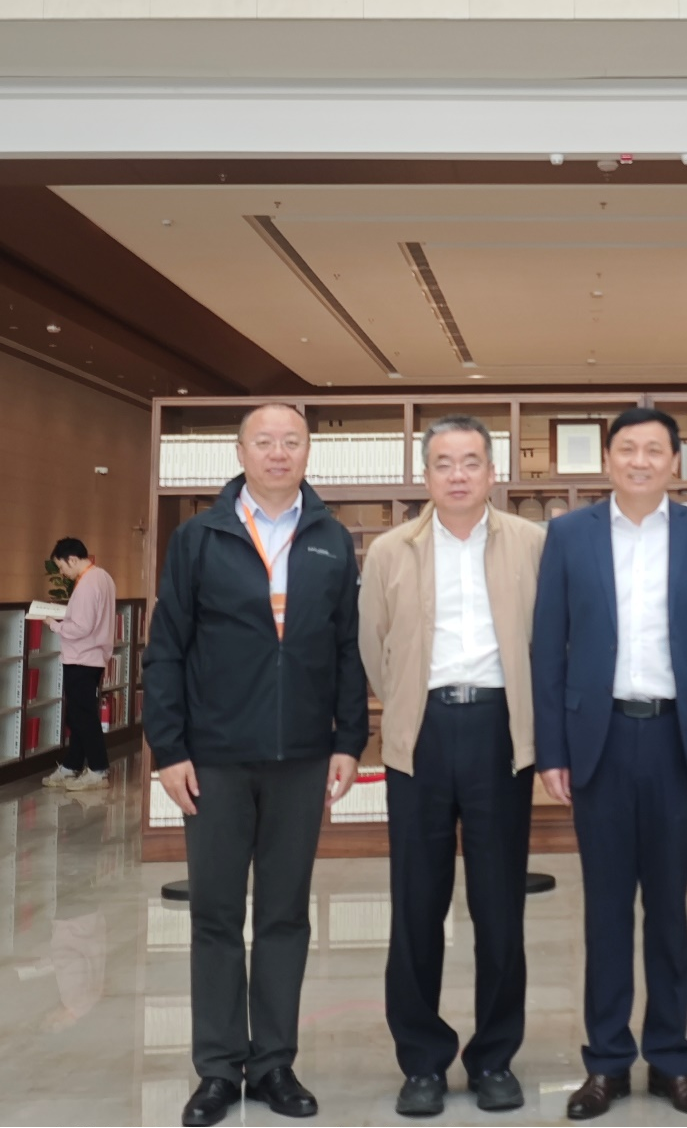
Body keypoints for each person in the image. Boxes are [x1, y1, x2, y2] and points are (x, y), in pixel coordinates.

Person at [143, 402, 367, 1128]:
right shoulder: (199, 538)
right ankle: (217, 1068)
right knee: (215, 914)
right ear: (240, 452)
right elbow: (166, 649)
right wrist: (169, 748)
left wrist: (348, 740)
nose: (278, 452)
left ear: (307, 452)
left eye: (291, 441)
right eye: (264, 441)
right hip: (214, 759)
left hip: (301, 757)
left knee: (284, 914)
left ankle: (273, 1062)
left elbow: (346, 648)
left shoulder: (330, 538)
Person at [532, 407, 687, 1121]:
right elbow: (547, 647)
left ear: (676, 462)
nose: (641, 460)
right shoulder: (570, 534)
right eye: (628, 448)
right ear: (608, 459)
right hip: (600, 740)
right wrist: (553, 749)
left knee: (670, 910)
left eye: (656, 449)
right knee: (605, 910)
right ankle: (607, 1062)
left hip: (678, 738)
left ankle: (672, 1059)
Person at [359, 415, 545, 1118]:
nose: (458, 474)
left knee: (499, 905)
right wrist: (409, 706)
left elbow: (548, 639)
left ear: (493, 472)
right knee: (416, 904)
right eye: (444, 462)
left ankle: (494, 1056)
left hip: (501, 731)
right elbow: (372, 644)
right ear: (426, 474)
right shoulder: (390, 550)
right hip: (421, 733)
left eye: (471, 461)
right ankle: (422, 1061)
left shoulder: (532, 543)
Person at [42, 538, 117, 792]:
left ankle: (98, 769)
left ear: (72, 559)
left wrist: (54, 625)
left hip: (82, 658)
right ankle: (71, 765)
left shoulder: (86, 584)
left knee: (83, 716)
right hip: (93, 657)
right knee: (78, 715)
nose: (62, 572)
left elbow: (82, 627)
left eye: (62, 566)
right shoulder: (103, 577)